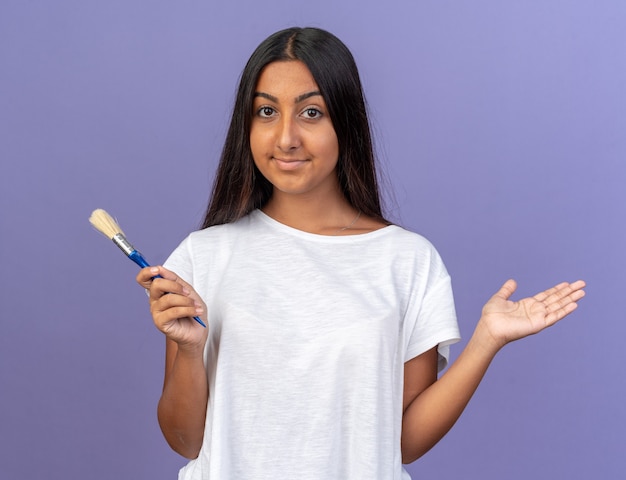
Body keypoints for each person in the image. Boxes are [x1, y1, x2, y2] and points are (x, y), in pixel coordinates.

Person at [136, 27, 585, 480]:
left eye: (311, 112)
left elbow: (404, 443)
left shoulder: (408, 261)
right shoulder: (204, 256)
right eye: (267, 111)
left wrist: (486, 340)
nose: (286, 137)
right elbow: (185, 440)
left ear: (345, 121)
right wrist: (189, 350)